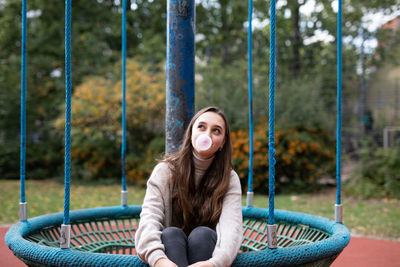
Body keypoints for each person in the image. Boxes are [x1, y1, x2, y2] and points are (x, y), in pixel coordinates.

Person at [135, 106, 243, 267]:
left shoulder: (229, 178)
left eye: (216, 131)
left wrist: (214, 264)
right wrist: (159, 260)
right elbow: (149, 218)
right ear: (191, 132)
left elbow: (231, 228)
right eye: (201, 127)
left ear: (223, 142)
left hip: (207, 250)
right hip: (170, 251)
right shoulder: (165, 171)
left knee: (203, 234)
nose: (207, 135)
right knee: (171, 233)